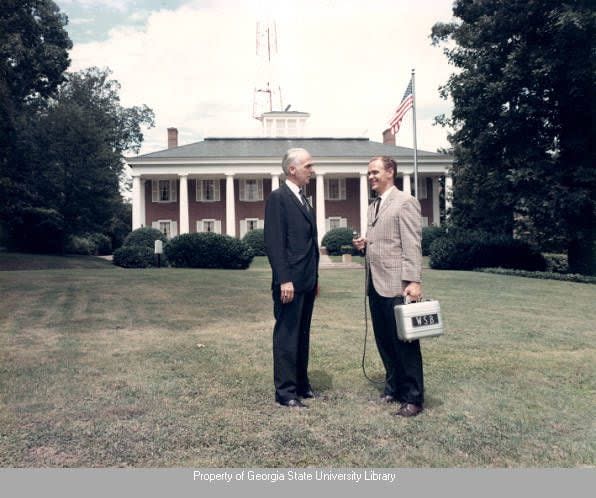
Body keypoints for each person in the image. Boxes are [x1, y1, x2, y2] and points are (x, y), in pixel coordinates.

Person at [353, 156, 425, 417]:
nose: (371, 177)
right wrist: (365, 245)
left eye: (375, 172)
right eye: (369, 173)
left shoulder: (405, 202)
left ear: (390, 172)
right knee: (384, 340)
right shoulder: (374, 206)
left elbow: (412, 245)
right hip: (375, 284)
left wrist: (414, 281)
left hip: (397, 285)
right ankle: (393, 387)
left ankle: (414, 397)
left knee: (404, 343)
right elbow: (384, 242)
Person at [264, 148, 320, 409]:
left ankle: (301, 385)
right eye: (308, 166)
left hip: (306, 281)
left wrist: (314, 278)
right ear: (292, 169)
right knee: (287, 336)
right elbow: (274, 243)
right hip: (289, 284)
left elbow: (308, 244)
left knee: (302, 335)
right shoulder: (279, 198)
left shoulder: (304, 199)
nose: (312, 170)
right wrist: (284, 279)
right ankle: (285, 393)